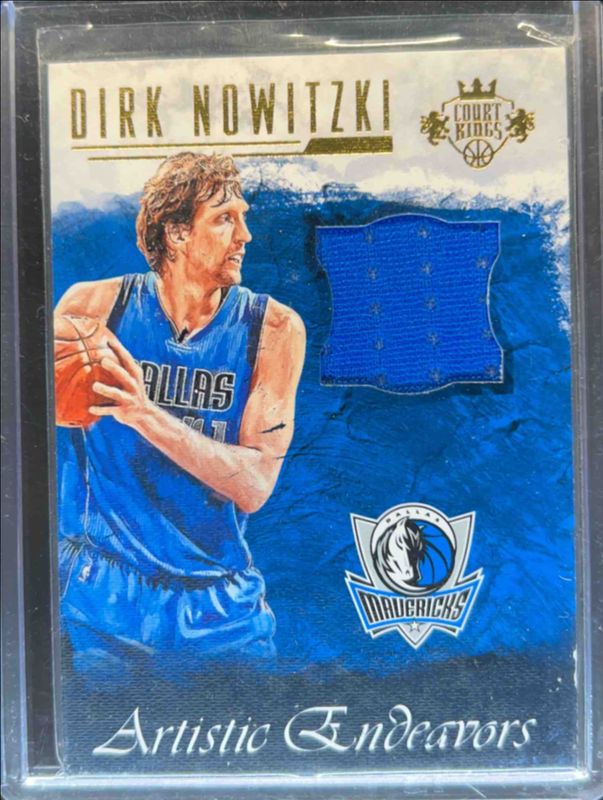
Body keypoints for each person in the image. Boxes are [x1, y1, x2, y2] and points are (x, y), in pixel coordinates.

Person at [55, 152, 306, 682]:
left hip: (220, 607)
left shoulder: (274, 329)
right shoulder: (91, 311)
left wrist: (144, 413)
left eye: (243, 217)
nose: (245, 236)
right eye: (225, 219)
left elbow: (256, 484)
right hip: (105, 598)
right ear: (177, 233)